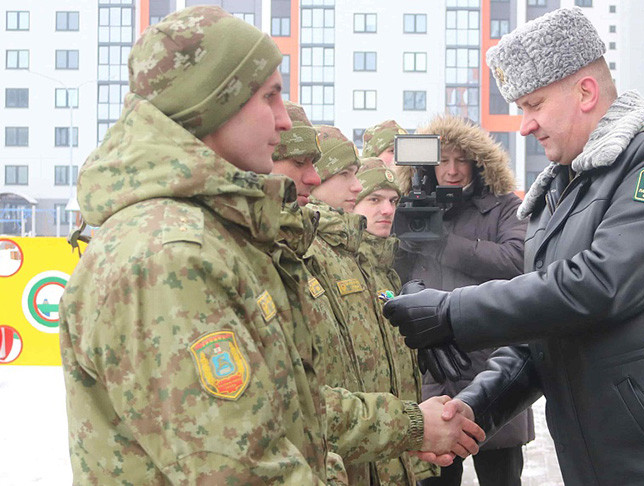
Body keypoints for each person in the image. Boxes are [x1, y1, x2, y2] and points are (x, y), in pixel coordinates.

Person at [59, 8, 481, 484]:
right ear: (214, 101)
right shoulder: (170, 256)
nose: (284, 121)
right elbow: (241, 467)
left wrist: (407, 426)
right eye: (269, 97)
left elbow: (286, 405)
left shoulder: (216, 238)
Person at [384, 7, 644, 486]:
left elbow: (603, 282)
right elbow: (541, 334)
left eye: (534, 105)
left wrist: (450, 312)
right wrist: (470, 412)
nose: (525, 126)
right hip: (595, 465)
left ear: (585, 92)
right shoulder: (555, 196)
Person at [393, 115, 533, 486]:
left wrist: (441, 242)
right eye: (443, 160)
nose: (452, 171)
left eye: (461, 160)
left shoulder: (503, 206)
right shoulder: (414, 205)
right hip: (433, 368)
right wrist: (405, 239)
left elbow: (517, 261)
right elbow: (394, 276)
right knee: (433, 479)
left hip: (492, 365)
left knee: (501, 479)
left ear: (478, 162)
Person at [303, 128, 436, 484]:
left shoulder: (373, 265)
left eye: (392, 201)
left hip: (389, 452)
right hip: (349, 459)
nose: (386, 210)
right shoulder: (309, 254)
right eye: (374, 199)